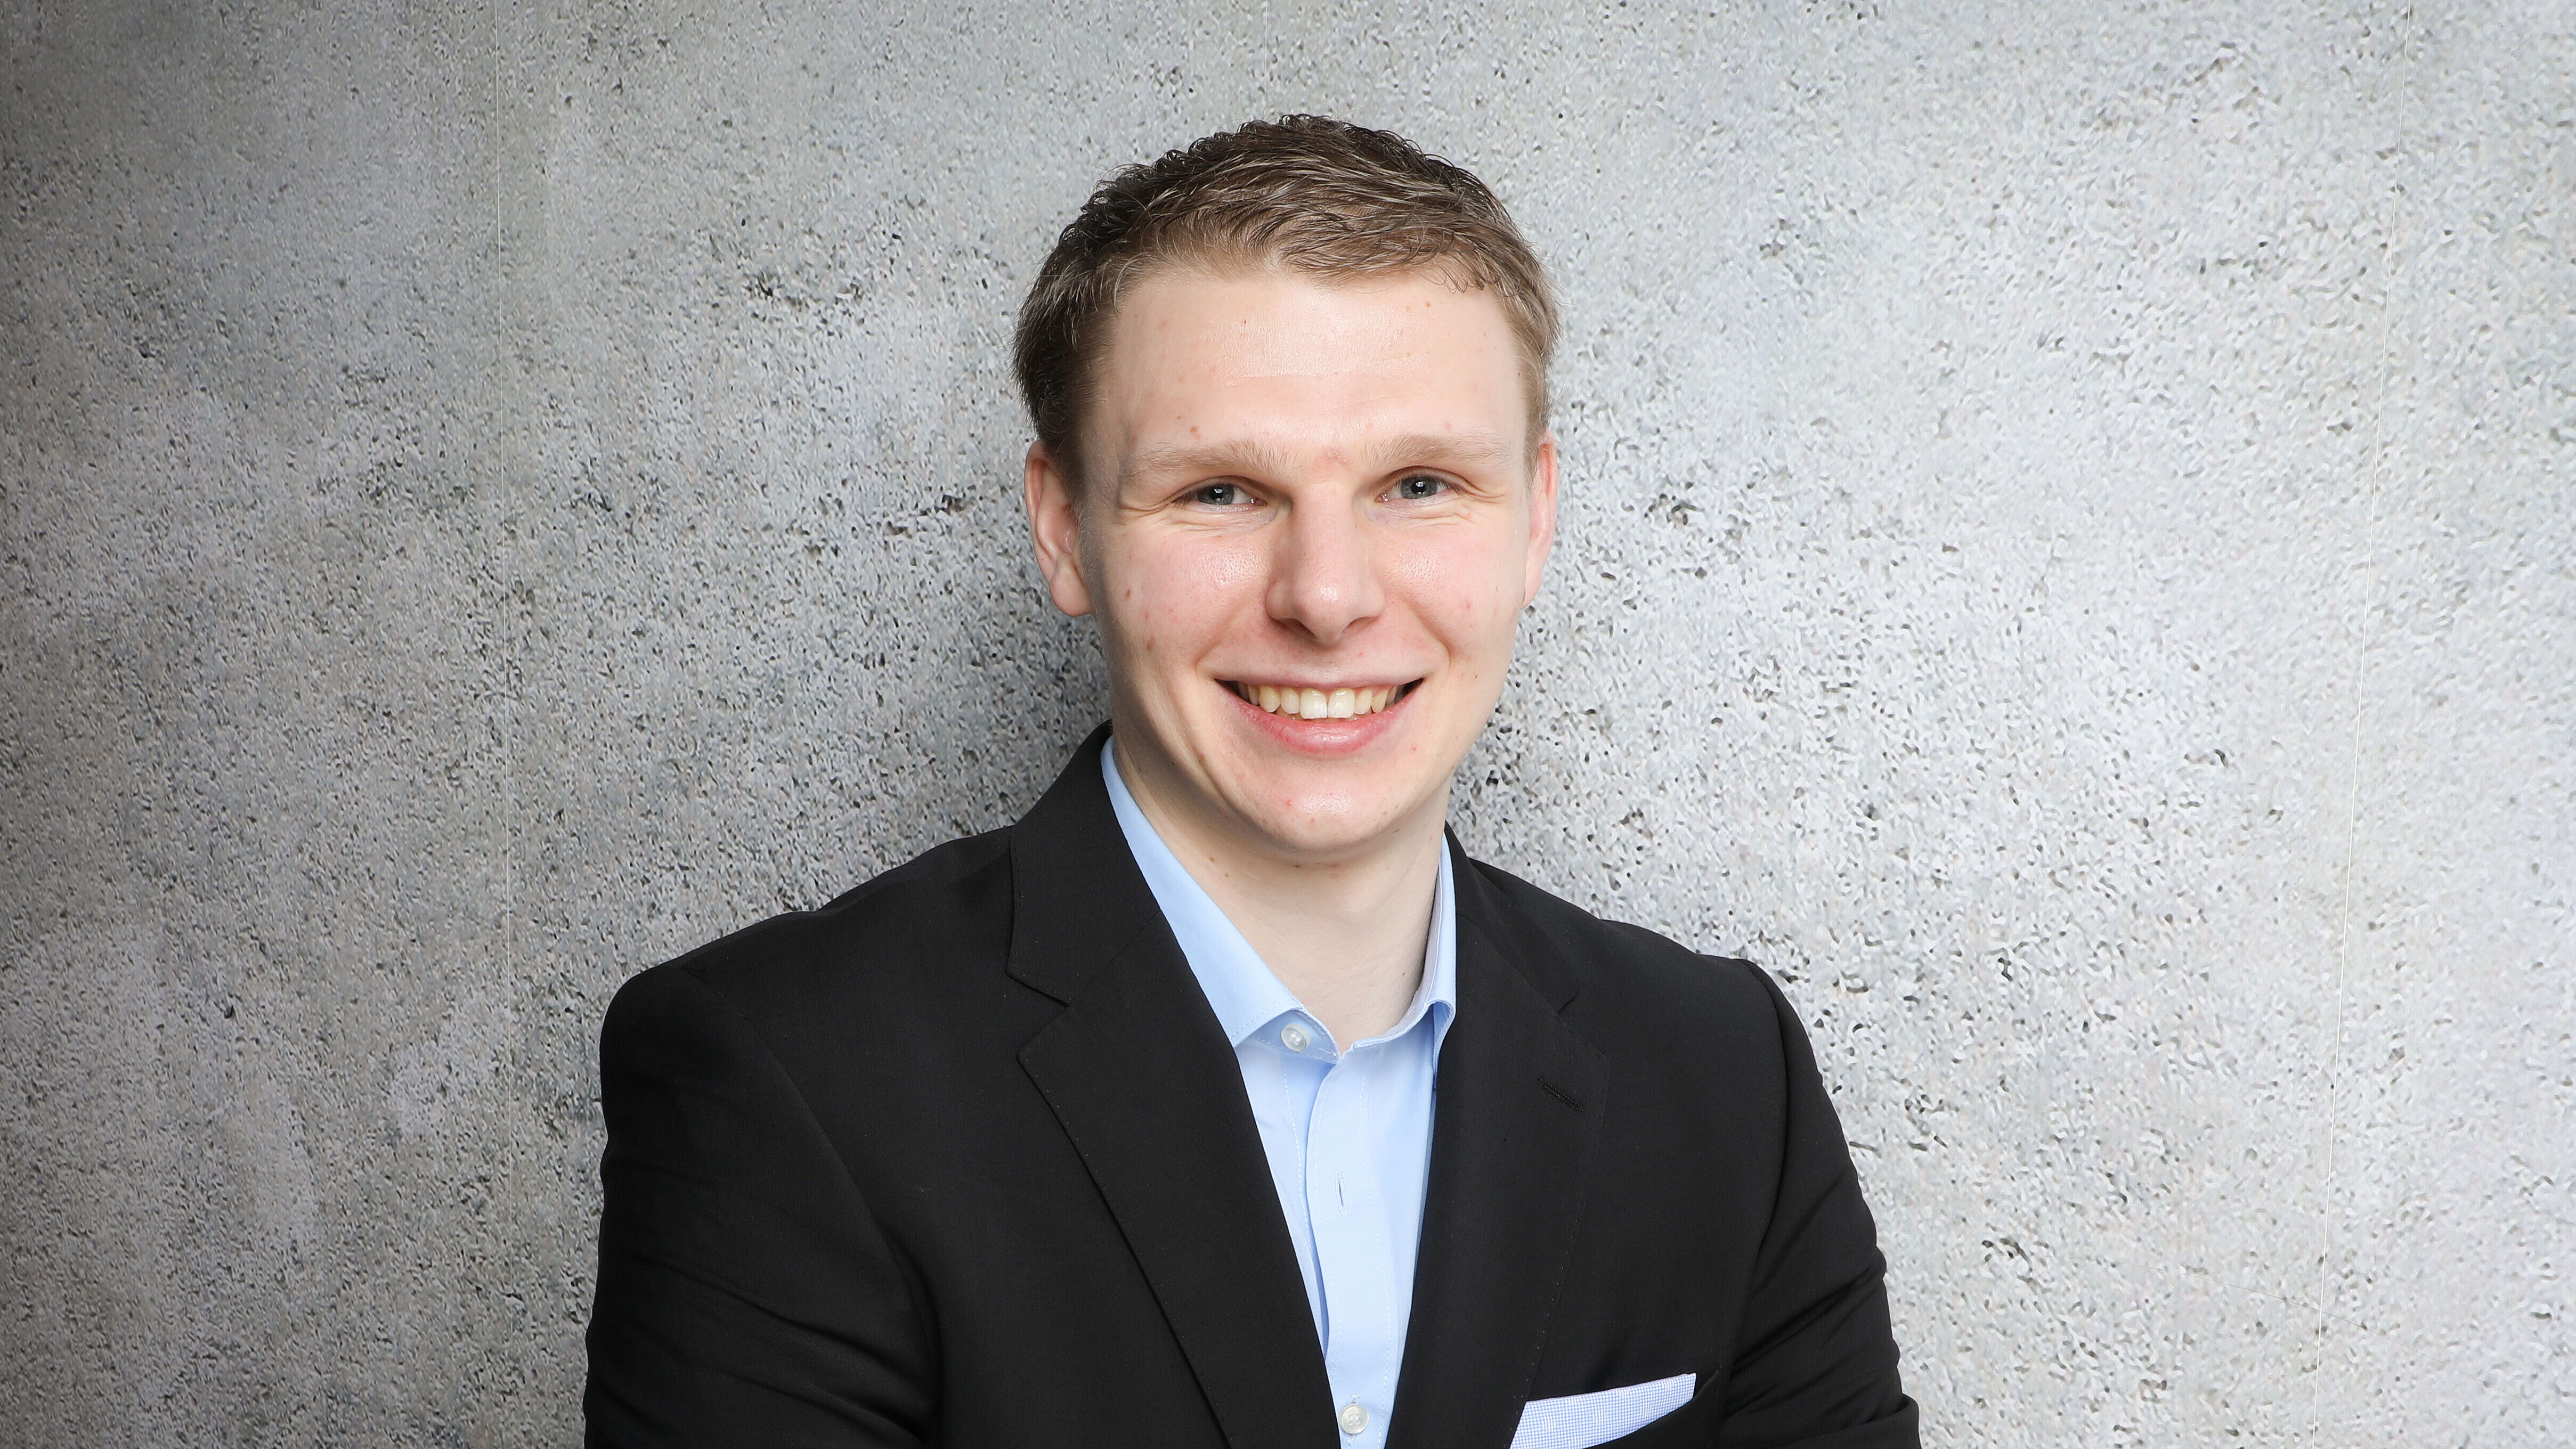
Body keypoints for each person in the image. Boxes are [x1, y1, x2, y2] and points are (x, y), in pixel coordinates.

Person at [584, 115, 1918, 1449]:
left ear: (1537, 518)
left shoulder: (1726, 1079)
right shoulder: (787, 1078)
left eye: (1419, 483)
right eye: (1222, 491)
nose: (1327, 597)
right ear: (1065, 529)